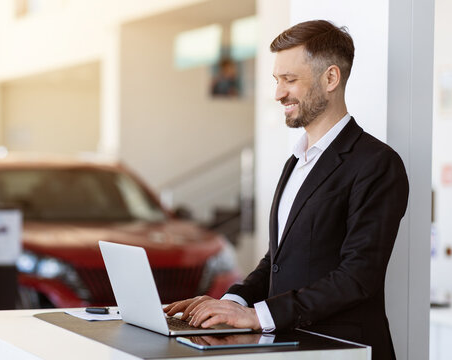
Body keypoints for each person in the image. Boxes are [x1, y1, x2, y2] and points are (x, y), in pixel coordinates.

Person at [164, 19, 408, 360]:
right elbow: (277, 261)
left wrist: (257, 316)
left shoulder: (377, 163)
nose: (279, 94)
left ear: (331, 79)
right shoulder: (296, 162)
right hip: (290, 348)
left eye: (289, 80)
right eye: (277, 81)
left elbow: (358, 277)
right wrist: (232, 302)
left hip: (342, 350)